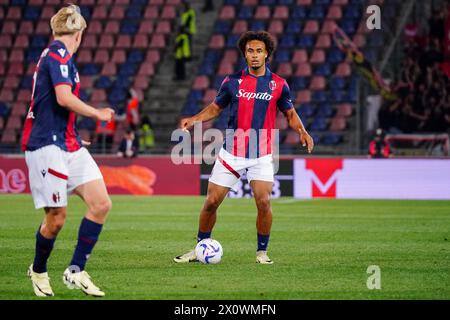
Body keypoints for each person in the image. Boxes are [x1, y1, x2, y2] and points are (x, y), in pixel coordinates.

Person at [174, 31, 314, 265]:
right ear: (244, 54)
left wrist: (302, 131)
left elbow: (290, 113)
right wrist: (195, 119)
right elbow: (215, 108)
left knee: (263, 202)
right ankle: (200, 248)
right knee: (211, 202)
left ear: (267, 53)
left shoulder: (278, 85)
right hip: (231, 153)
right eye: (250, 51)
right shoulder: (232, 82)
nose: (255, 55)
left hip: (261, 154)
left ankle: (262, 252)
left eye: (259, 50)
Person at [21, 4, 115, 297]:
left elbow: (51, 102)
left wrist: (72, 134)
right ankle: (38, 270)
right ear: (79, 33)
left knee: (101, 204)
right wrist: (98, 114)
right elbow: (63, 98)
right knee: (56, 219)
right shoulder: (58, 54)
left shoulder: (58, 57)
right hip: (47, 146)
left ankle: (75, 270)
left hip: (67, 142)